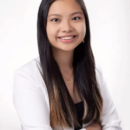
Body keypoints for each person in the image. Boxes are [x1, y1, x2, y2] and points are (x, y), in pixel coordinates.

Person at [13, 0, 122, 130]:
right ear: (43, 26)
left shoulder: (94, 70)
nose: (67, 28)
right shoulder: (27, 77)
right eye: (55, 20)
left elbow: (113, 124)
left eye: (75, 18)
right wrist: (92, 128)